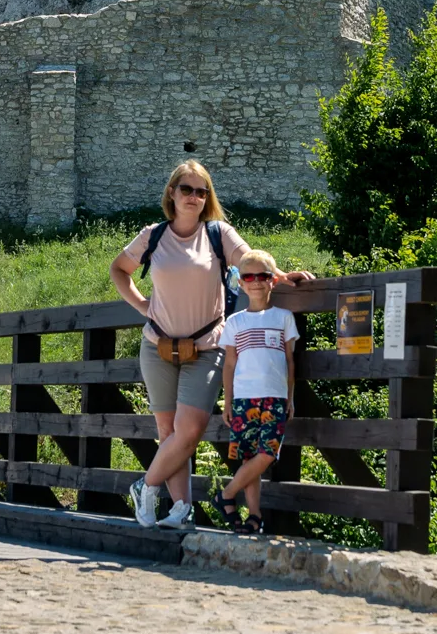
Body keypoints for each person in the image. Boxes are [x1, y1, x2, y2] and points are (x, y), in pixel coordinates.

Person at [108, 160, 312, 529]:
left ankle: (145, 485)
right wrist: (141, 305)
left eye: (202, 192)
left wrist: (282, 276)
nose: (194, 197)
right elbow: (118, 269)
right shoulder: (152, 236)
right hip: (157, 346)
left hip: (206, 347)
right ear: (172, 192)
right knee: (169, 434)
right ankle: (180, 511)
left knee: (189, 431)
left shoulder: (219, 234)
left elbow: (251, 262)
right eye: (187, 189)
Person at [215, 248, 298, 534]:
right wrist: (227, 402)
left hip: (275, 396)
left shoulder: (284, 317)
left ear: (273, 280)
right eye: (248, 276)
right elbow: (229, 365)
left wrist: (290, 397)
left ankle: (226, 494)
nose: (255, 281)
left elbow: (289, 360)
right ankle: (255, 516)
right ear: (241, 283)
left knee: (268, 454)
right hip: (243, 398)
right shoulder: (235, 322)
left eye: (263, 275)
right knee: (251, 457)